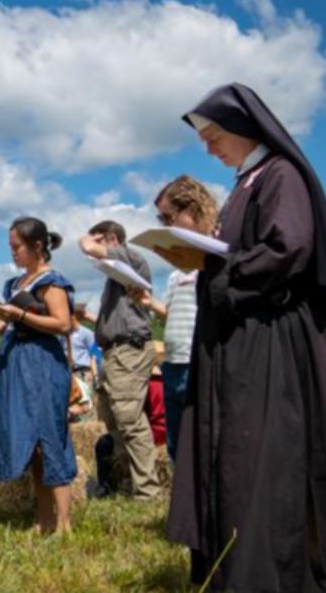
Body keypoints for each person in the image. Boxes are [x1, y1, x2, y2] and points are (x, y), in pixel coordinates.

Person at [166, 83, 326, 592]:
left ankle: (266, 575)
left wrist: (220, 271)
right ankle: (231, 567)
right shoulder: (245, 182)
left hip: (269, 339)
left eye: (214, 136)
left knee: (260, 459)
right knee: (232, 453)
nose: (208, 147)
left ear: (243, 129)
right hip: (238, 337)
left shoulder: (280, 175)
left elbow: (289, 248)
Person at [0, 217, 76, 534]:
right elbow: (11, 326)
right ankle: (43, 519)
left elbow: (62, 324)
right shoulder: (15, 283)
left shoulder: (51, 281)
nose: (12, 253)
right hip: (16, 363)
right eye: (10, 247)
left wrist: (18, 313)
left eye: (16, 247)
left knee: (49, 440)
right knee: (31, 444)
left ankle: (65, 524)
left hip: (42, 365)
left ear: (36, 246)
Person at [129, 174, 218, 461]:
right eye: (161, 220)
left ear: (192, 208)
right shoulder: (176, 273)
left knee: (204, 443)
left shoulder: (212, 261)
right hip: (173, 361)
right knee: (176, 445)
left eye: (169, 218)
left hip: (198, 361)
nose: (165, 226)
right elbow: (175, 314)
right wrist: (148, 303)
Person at [79, 221, 160, 500]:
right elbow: (119, 319)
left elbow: (86, 245)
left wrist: (90, 239)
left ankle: (147, 491)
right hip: (115, 351)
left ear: (111, 238)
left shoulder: (128, 257)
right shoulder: (115, 275)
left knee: (129, 420)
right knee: (115, 422)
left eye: (101, 240)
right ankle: (126, 482)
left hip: (128, 350)